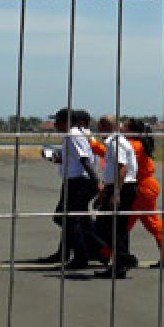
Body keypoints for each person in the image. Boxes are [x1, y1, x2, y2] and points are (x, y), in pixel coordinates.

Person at [37, 108, 101, 268]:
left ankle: (88, 253)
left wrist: (96, 181)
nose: (55, 124)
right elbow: (73, 160)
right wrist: (54, 158)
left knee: (67, 219)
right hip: (74, 180)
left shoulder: (74, 134)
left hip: (79, 182)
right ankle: (67, 252)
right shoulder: (75, 134)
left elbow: (85, 159)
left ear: (67, 121)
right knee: (72, 219)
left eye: (57, 121)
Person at [123, 118, 164, 268]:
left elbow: (115, 154)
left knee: (125, 222)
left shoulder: (133, 145)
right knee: (137, 222)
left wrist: (93, 144)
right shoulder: (137, 144)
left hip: (142, 188)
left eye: (125, 127)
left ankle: (108, 252)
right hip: (146, 186)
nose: (121, 129)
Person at [93, 115, 139, 279]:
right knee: (118, 229)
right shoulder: (116, 141)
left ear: (106, 127)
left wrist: (116, 193)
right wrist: (105, 192)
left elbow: (122, 168)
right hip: (120, 186)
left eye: (99, 127)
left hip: (123, 187)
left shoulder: (116, 142)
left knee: (104, 227)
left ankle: (125, 259)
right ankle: (119, 266)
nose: (98, 130)